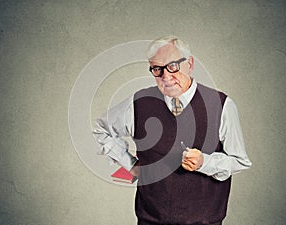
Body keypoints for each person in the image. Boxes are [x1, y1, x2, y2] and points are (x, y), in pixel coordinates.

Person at [94, 36, 252, 225]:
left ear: (190, 64)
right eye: (157, 69)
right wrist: (131, 165)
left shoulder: (221, 105)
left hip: (204, 222)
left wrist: (205, 162)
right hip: (150, 220)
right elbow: (101, 129)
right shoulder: (139, 103)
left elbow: (239, 161)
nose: (166, 77)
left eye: (173, 66)